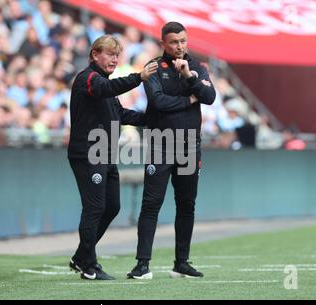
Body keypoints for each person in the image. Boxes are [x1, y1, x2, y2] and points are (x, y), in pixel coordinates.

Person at [127, 22, 216, 279]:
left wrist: (189, 76)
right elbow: (158, 102)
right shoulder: (154, 67)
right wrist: (189, 99)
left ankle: (182, 263)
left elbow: (210, 98)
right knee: (151, 203)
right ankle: (142, 264)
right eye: (174, 42)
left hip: (189, 146)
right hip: (160, 143)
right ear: (163, 44)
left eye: (183, 41)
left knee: (186, 204)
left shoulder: (196, 67)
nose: (180, 46)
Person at [67, 34, 157, 280]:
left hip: (105, 153)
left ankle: (80, 257)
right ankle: (89, 266)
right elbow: (107, 88)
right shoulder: (89, 79)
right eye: (110, 54)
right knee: (95, 207)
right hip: (87, 153)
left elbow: (122, 114)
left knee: (112, 206)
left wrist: (156, 119)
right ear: (95, 54)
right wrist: (139, 77)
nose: (114, 59)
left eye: (117, 55)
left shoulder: (104, 85)